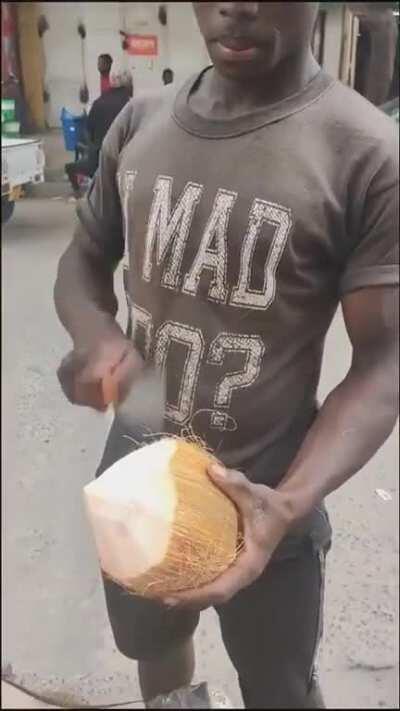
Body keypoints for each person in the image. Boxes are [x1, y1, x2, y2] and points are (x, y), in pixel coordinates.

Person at [54, 2, 399, 709]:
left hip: (270, 492)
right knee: (156, 653)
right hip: (139, 483)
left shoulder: (364, 153)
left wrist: (288, 504)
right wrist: (95, 333)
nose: (235, 6)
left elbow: (385, 362)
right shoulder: (140, 122)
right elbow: (83, 262)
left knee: (279, 688)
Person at [65, 67, 132, 198]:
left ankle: (77, 192)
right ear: (127, 83)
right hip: (124, 157)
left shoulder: (98, 103)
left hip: (99, 157)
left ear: (111, 82)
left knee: (72, 166)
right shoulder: (130, 104)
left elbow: (89, 130)